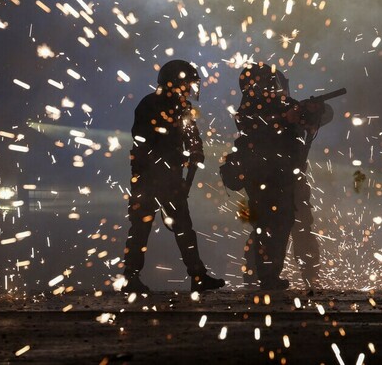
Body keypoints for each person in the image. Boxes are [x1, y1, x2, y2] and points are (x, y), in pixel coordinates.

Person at [122, 60, 225, 293]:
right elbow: (142, 139)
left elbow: (191, 133)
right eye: (187, 83)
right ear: (175, 82)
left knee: (183, 228)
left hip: (170, 178)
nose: (190, 88)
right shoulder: (149, 104)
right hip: (148, 178)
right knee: (141, 228)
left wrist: (196, 150)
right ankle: (131, 278)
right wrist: (165, 160)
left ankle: (198, 276)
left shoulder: (182, 106)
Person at [240, 69, 334, 290]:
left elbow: (323, 114)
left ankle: (310, 277)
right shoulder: (253, 108)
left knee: (300, 225)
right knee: (265, 226)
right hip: (265, 177)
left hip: (292, 176)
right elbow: (251, 128)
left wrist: (315, 111)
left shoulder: (288, 104)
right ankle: (258, 277)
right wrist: (284, 118)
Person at [234, 62, 301, 290]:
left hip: (282, 173)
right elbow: (256, 129)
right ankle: (266, 275)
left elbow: (305, 116)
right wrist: (285, 120)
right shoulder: (249, 106)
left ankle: (271, 274)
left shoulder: (282, 103)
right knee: (265, 224)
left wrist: (309, 113)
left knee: (284, 221)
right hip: (260, 174)